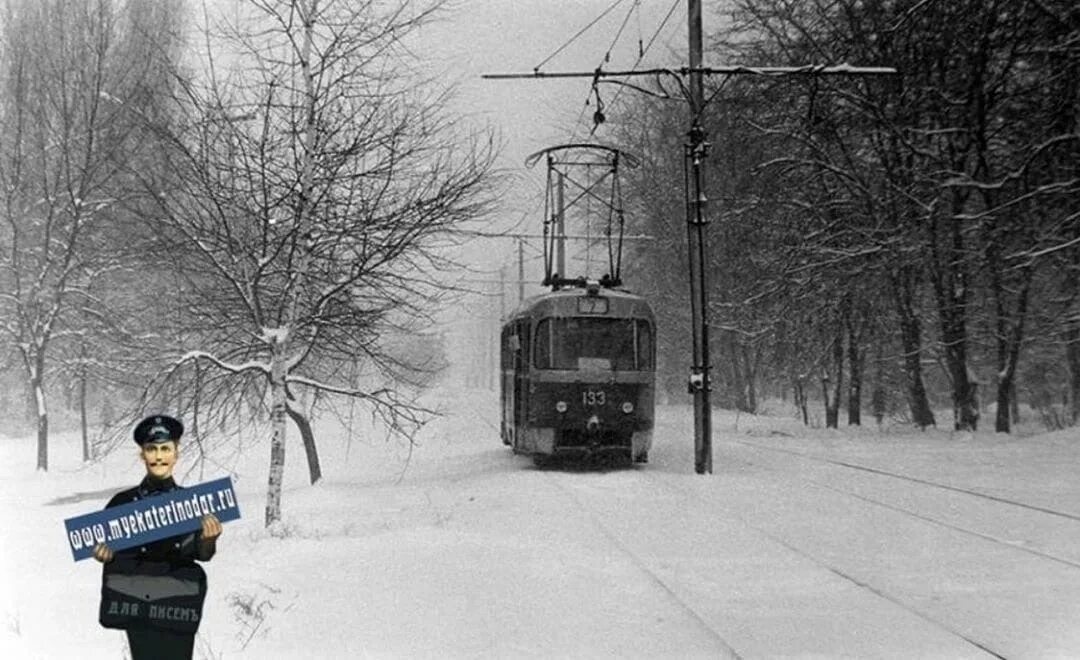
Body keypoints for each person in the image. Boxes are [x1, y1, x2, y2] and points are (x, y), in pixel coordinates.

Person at [93, 414, 223, 660]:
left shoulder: (194, 504)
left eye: (165, 449)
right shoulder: (121, 503)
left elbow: (203, 555)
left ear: (176, 454)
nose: (159, 456)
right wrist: (104, 553)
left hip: (178, 608)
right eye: (151, 449)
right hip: (137, 608)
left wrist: (209, 539)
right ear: (142, 454)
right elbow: (107, 548)